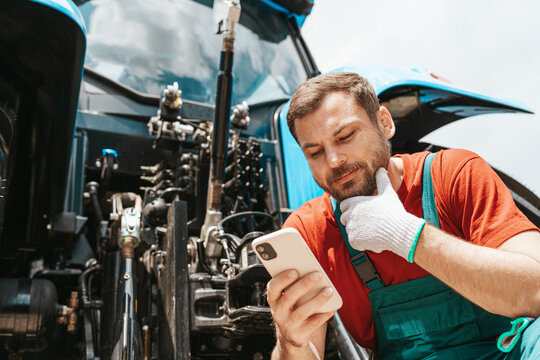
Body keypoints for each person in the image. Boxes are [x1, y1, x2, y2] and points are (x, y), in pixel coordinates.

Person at [267, 72, 540, 359]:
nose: (334, 160)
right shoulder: (311, 232)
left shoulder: (454, 175)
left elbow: (534, 290)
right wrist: (292, 342)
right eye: (315, 152)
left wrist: (406, 235)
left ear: (384, 123)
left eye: (346, 136)